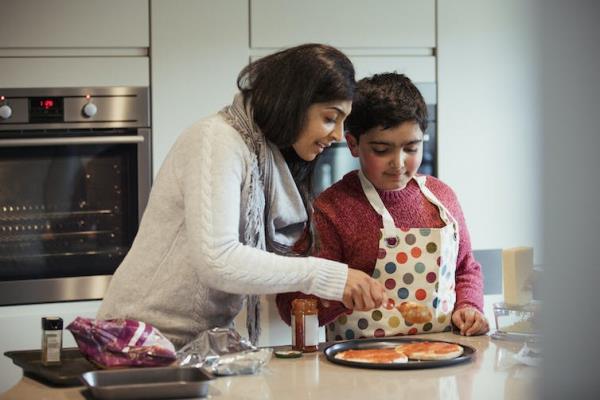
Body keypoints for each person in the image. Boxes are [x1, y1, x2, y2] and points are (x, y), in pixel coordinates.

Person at [97, 44, 386, 348]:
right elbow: (217, 260)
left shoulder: (266, 156)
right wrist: (330, 277)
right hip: (137, 339)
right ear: (293, 104)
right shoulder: (216, 140)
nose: (338, 135)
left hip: (196, 344)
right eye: (330, 118)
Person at [277, 73, 489, 340]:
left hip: (441, 360)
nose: (398, 163)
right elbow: (290, 306)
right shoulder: (331, 211)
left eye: (411, 148)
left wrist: (469, 307)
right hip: (359, 369)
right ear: (353, 144)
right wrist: (341, 291)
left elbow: (466, 268)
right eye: (381, 150)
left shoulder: (442, 197)